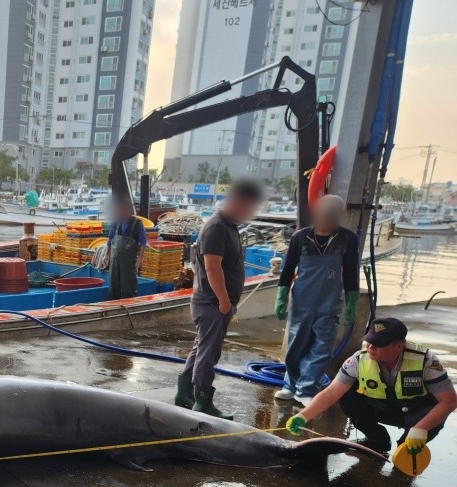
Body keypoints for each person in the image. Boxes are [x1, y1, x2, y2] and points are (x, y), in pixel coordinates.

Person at [286, 317, 456, 455]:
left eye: (378, 344)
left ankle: (407, 444)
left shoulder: (425, 361)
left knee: (407, 452)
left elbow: (449, 401)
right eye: (369, 341)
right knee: (347, 396)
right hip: (382, 407)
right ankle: (377, 441)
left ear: (399, 346)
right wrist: (303, 416)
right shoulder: (358, 360)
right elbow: (331, 393)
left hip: (416, 412)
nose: (371, 348)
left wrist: (421, 429)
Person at [175, 177, 264, 418]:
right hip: (212, 303)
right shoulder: (216, 227)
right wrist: (224, 302)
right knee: (208, 352)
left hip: (215, 302)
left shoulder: (229, 226)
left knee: (200, 348)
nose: (250, 213)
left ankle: (184, 393)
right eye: (249, 207)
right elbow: (212, 268)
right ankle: (202, 401)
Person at [274, 194, 360, 407]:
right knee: (296, 344)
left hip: (329, 302)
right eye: (324, 214)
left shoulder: (348, 239)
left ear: (340, 216)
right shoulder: (300, 237)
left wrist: (351, 302)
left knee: (322, 347)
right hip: (302, 299)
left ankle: (307, 389)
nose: (328, 218)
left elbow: (350, 272)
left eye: (333, 215)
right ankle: (290, 385)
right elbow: (288, 269)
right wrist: (281, 296)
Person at [107, 195, 147, 299]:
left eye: (122, 210)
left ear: (128, 210)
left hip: (128, 262)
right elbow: (110, 239)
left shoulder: (137, 223)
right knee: (113, 284)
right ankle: (113, 306)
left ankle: (129, 307)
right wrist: (106, 255)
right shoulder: (116, 222)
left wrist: (140, 258)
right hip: (114, 260)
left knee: (128, 285)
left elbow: (143, 241)